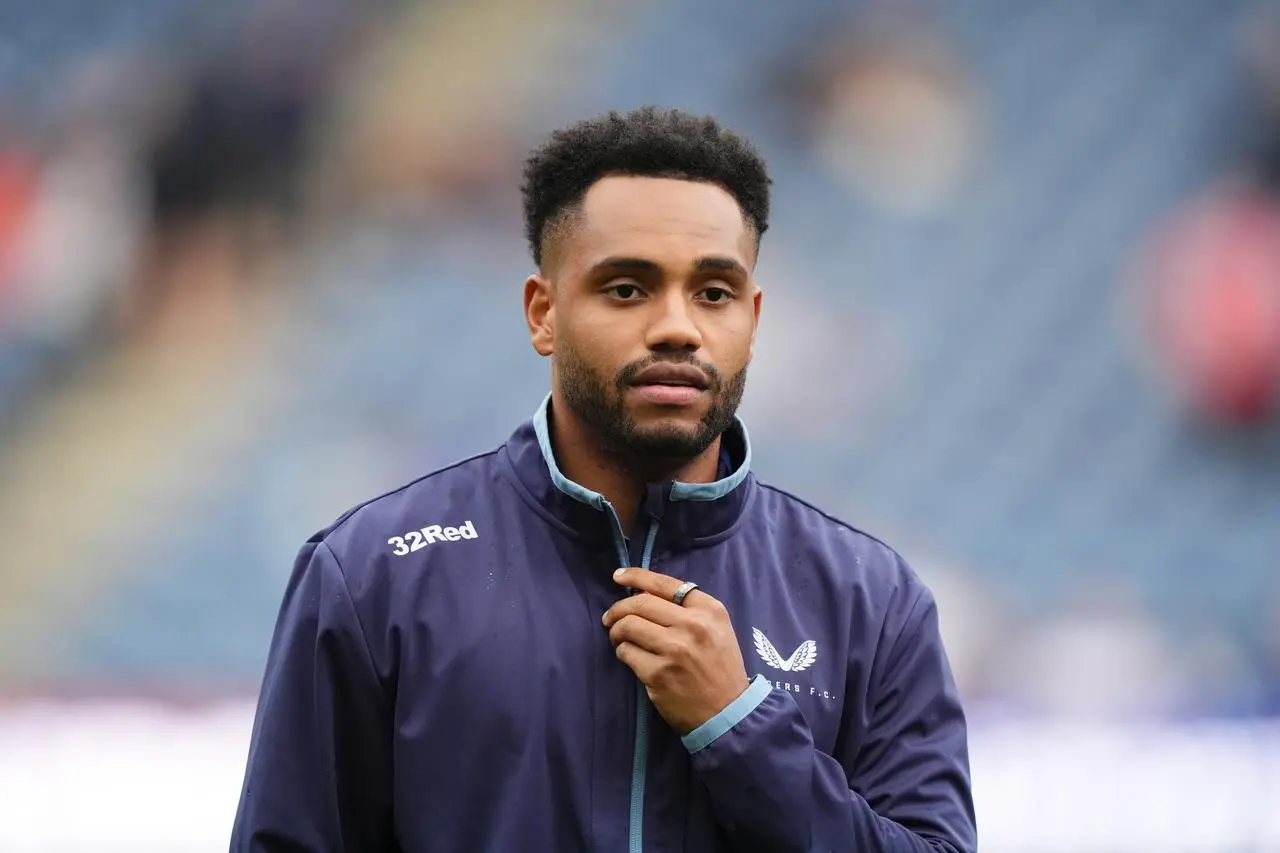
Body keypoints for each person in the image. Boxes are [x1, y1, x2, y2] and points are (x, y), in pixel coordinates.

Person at [230, 106, 977, 852]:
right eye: (627, 288)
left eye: (713, 292)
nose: (677, 327)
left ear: (752, 319)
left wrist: (739, 727)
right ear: (543, 312)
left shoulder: (870, 599)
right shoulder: (375, 572)